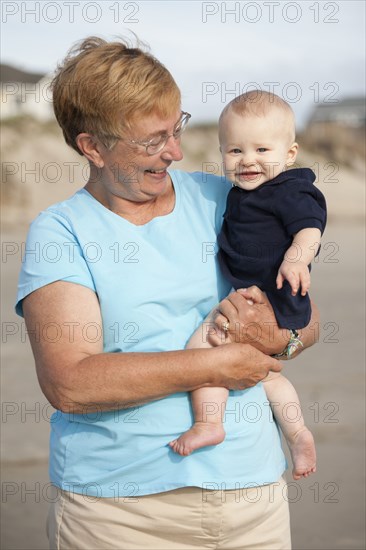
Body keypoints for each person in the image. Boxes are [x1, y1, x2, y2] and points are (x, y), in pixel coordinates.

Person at [16, 37, 319, 550]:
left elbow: (305, 319)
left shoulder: (229, 196)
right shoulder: (60, 233)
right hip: (118, 513)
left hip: (253, 497)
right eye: (152, 139)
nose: (175, 151)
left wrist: (278, 339)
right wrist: (216, 367)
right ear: (93, 146)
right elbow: (71, 382)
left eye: (175, 127)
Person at [170, 91, 326, 481]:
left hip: (269, 295)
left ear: (290, 154)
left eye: (261, 148)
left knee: (203, 347)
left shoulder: (290, 189)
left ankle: (209, 422)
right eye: (234, 150)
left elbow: (310, 226)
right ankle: (298, 432)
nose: (247, 160)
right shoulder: (242, 194)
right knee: (269, 375)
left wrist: (297, 258)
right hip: (258, 296)